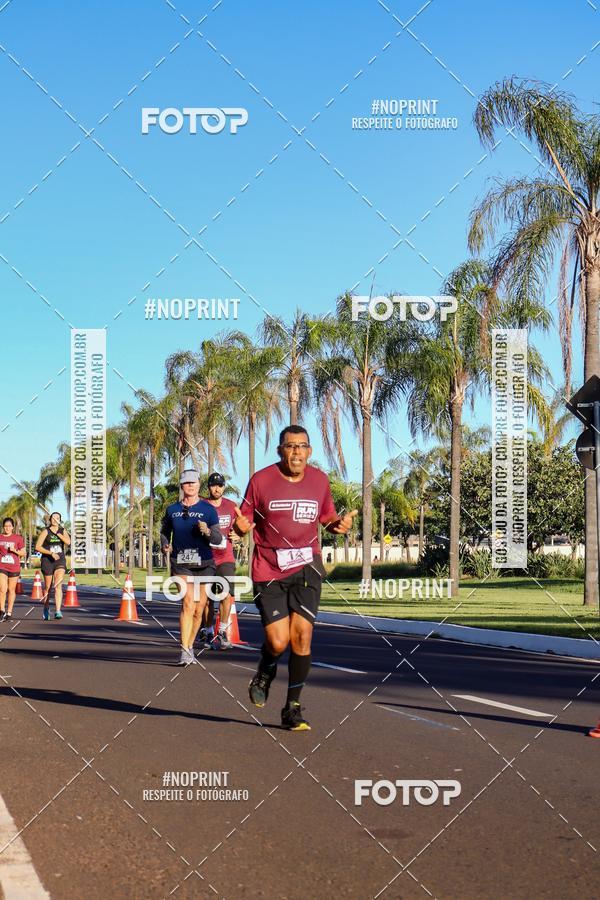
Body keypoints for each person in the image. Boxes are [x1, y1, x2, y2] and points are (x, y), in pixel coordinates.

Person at [235, 425, 356, 731]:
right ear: (280, 451)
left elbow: (327, 519)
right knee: (278, 641)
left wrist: (338, 526)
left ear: (309, 451)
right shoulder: (261, 480)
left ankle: (292, 707)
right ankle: (266, 668)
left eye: (302, 446)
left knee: (302, 636)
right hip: (269, 568)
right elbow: (242, 521)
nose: (296, 452)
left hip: (307, 566)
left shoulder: (319, 480)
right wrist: (238, 528)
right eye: (290, 446)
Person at [160, 469, 222, 665]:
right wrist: (165, 544)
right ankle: (184, 650)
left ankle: (190, 645)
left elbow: (217, 538)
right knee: (188, 603)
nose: (190, 486)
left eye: (193, 482)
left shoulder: (209, 510)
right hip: (181, 563)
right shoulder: (172, 510)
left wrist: (207, 531)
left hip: (205, 563)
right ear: (182, 486)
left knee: (199, 607)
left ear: (198, 485)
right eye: (187, 483)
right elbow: (164, 532)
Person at [201, 472, 239, 650]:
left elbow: (241, 526)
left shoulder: (231, 506)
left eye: (220, 485)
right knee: (207, 598)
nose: (217, 488)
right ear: (208, 487)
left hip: (226, 557)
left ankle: (222, 632)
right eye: (213, 485)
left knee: (226, 595)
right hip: (206, 558)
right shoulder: (201, 506)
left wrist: (239, 534)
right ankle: (209, 632)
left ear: (224, 487)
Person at [35, 512, 71, 620]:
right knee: (48, 587)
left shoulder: (63, 530)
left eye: (57, 518)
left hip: (60, 560)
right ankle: (46, 608)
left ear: (60, 520)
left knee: (58, 585)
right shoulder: (46, 531)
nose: (55, 519)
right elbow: (37, 547)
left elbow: (68, 542)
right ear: (50, 519)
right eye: (53, 517)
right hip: (47, 561)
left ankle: (58, 611)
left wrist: (58, 534)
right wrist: (51, 553)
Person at [0, 517, 26, 622]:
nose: (7, 528)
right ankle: (1, 611)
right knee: (2, 589)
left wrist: (15, 550)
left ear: (13, 527)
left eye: (9, 526)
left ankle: (9, 612)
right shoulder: (0, 537)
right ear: (3, 527)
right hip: (2, 566)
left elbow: (23, 553)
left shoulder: (18, 538)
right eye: (5, 526)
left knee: (11, 590)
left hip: (14, 567)